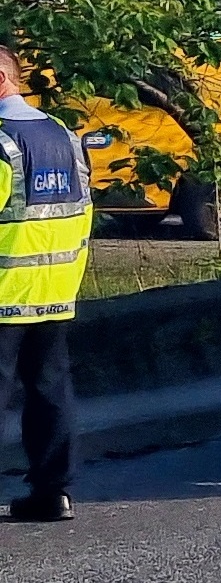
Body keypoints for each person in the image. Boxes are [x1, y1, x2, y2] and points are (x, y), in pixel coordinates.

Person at [0, 45, 93, 521]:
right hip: (54, 291)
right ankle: (53, 493)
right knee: (50, 391)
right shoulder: (65, 137)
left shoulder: (1, 144)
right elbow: (83, 215)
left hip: (4, 293)